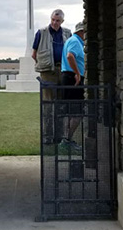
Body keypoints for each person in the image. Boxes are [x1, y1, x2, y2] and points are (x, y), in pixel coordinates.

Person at [32, 9, 72, 143]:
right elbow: (34, 54)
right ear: (50, 19)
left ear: (62, 21)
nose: (55, 23)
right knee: (48, 105)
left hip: (63, 70)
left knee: (60, 104)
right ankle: (47, 137)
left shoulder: (67, 33)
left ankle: (59, 136)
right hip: (48, 72)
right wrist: (45, 65)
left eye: (58, 21)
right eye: (53, 20)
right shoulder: (41, 33)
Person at [59, 21, 86, 152]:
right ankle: (67, 140)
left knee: (72, 111)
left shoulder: (74, 41)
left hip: (71, 77)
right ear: (81, 32)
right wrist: (77, 73)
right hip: (72, 78)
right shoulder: (75, 41)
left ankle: (66, 139)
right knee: (76, 111)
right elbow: (70, 56)